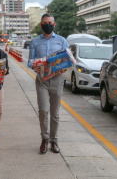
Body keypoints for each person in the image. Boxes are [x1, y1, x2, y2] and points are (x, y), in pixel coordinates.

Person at [27, 13, 68, 154]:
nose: (48, 24)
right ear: (41, 25)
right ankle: (45, 139)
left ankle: (54, 140)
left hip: (57, 79)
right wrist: (34, 66)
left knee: (55, 113)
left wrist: (64, 67)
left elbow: (67, 59)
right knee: (44, 110)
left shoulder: (62, 41)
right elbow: (30, 61)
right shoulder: (35, 41)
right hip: (42, 80)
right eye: (45, 22)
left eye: (50, 22)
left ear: (54, 24)